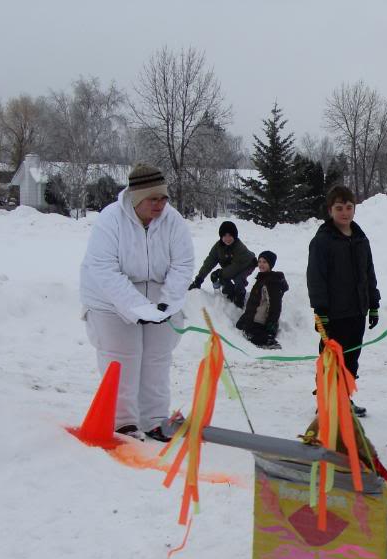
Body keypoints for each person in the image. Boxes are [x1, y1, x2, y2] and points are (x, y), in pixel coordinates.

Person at [79, 163, 194, 441]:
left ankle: (154, 419)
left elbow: (183, 264)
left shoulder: (173, 220)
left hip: (157, 293)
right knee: (123, 356)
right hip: (109, 298)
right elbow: (104, 268)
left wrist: (166, 303)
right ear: (135, 198)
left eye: (163, 198)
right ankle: (123, 422)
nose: (160, 204)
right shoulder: (110, 220)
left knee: (157, 356)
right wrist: (137, 308)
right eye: (153, 199)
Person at [307, 185, 380, 417]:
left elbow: (368, 272)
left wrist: (374, 304)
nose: (345, 213)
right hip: (333, 313)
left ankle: (344, 398)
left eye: (349, 207)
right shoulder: (322, 241)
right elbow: (316, 277)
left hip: (357, 311)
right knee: (331, 359)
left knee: (351, 359)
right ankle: (326, 402)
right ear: (330, 210)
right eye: (339, 208)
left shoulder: (360, 238)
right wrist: (321, 311)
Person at [189, 221, 257, 308]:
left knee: (238, 279)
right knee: (223, 277)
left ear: (234, 236)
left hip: (247, 264)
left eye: (230, 236)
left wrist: (220, 273)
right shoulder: (218, 247)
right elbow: (209, 261)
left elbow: (236, 267)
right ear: (221, 236)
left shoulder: (239, 247)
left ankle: (240, 297)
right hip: (233, 265)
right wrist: (199, 278)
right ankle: (231, 293)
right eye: (224, 236)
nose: (227, 239)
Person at [236, 251, 288, 349]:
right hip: (254, 317)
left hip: (261, 321)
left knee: (251, 334)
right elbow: (255, 302)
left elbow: (275, 305)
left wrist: (271, 323)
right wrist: (246, 316)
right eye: (259, 262)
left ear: (270, 264)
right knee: (240, 326)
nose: (261, 264)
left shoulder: (272, 282)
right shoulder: (261, 279)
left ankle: (269, 341)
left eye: (264, 262)